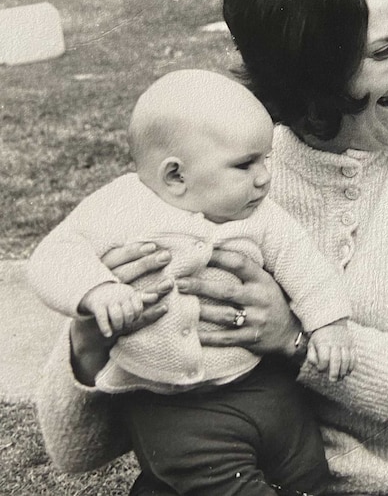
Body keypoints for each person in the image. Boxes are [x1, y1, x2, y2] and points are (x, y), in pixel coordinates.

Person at [36, 0, 388, 496]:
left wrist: (295, 340)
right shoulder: (228, 171)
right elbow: (74, 454)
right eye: (385, 50)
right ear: (311, 65)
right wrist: (91, 339)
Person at [29, 68, 354, 495]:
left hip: (263, 383)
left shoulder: (261, 216)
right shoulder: (121, 207)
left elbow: (305, 265)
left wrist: (329, 323)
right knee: (217, 482)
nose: (263, 178)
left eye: (265, 160)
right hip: (170, 405)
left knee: (307, 474)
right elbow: (54, 255)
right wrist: (96, 291)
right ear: (175, 176)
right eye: (244, 165)